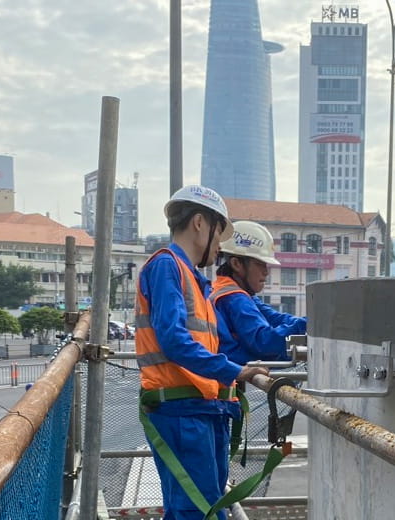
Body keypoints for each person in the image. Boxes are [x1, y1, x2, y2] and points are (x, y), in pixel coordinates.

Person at [136, 186, 269, 520]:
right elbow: (174, 341)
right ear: (199, 222)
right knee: (195, 510)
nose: (220, 246)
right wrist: (234, 371)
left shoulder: (195, 279)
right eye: (218, 232)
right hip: (183, 410)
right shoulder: (168, 267)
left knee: (204, 506)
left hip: (201, 408)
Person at [209, 221, 307, 367]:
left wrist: (306, 323)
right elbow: (264, 342)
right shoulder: (234, 298)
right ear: (237, 264)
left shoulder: (233, 291)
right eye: (260, 264)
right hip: (240, 379)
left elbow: (274, 318)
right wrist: (309, 324)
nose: (266, 272)